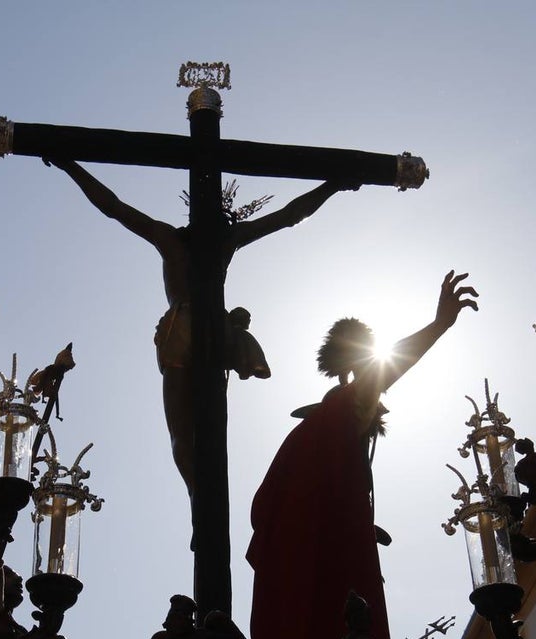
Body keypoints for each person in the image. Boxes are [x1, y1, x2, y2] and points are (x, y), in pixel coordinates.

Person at [46, 158, 359, 498]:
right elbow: (289, 215)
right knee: (204, 427)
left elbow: (113, 207)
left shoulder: (173, 238)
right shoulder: (222, 239)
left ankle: (199, 498)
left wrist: (69, 166)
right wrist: (332, 186)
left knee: (184, 430)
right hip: (214, 329)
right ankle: (203, 501)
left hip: (183, 327)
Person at [247, 271, 478, 639]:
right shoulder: (340, 410)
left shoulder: (323, 425)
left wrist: (358, 521)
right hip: (316, 535)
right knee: (334, 619)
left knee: (311, 617)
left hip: (310, 531)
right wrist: (439, 325)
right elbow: (386, 370)